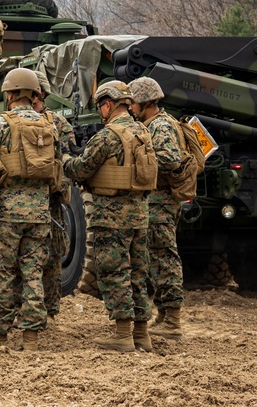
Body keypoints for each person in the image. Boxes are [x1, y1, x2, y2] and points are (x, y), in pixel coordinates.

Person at [0, 67, 61, 352]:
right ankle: (31, 338)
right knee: (33, 273)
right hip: (39, 215)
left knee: (3, 273)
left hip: (5, 216)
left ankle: (0, 337)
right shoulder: (50, 127)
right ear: (33, 95)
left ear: (12, 94)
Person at [61, 81, 156, 353]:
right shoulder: (143, 132)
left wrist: (65, 157)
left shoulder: (108, 136)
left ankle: (123, 335)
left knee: (114, 273)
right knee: (138, 273)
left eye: (101, 106)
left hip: (112, 217)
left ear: (108, 105)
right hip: (140, 215)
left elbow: (80, 170)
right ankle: (142, 334)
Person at [128, 76, 185, 340]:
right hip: (156, 202)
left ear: (145, 103)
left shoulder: (161, 125)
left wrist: (138, 163)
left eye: (133, 104)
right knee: (156, 258)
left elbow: (171, 159)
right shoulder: (152, 124)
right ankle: (164, 314)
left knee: (164, 257)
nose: (131, 109)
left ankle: (172, 319)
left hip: (161, 202)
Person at [31, 75, 77, 325]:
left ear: (42, 94)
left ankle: (50, 309)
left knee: (53, 255)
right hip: (25, 201)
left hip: (51, 201)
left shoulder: (58, 123)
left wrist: (61, 189)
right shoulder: (12, 121)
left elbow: (67, 163)